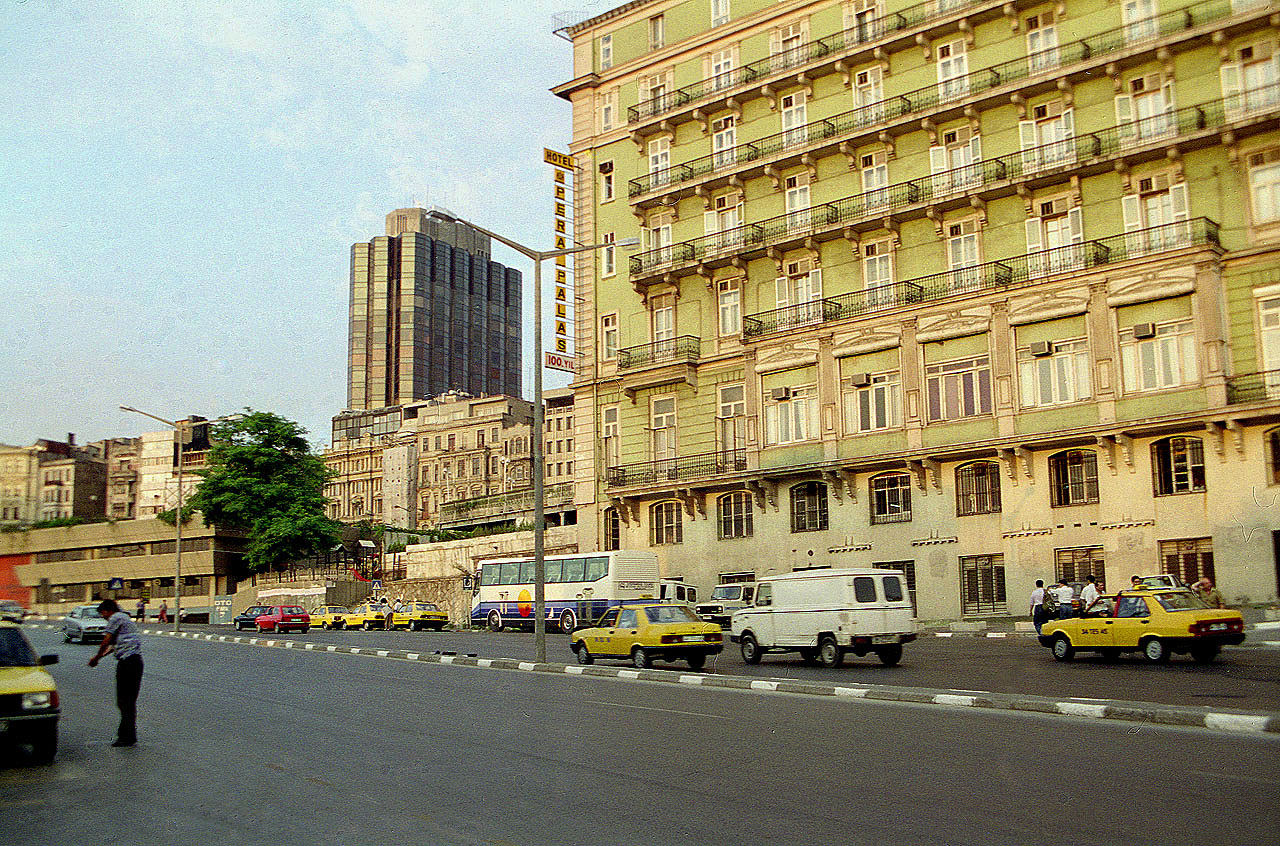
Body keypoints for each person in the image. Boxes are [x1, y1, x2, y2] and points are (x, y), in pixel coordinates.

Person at [88, 599, 143, 747]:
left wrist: (96, 658)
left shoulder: (115, 618)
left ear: (108, 610)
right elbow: (112, 646)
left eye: (103, 613)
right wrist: (99, 657)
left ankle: (126, 736)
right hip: (135, 662)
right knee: (128, 702)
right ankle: (128, 735)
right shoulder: (124, 618)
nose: (103, 617)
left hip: (128, 663)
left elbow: (106, 641)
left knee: (124, 701)